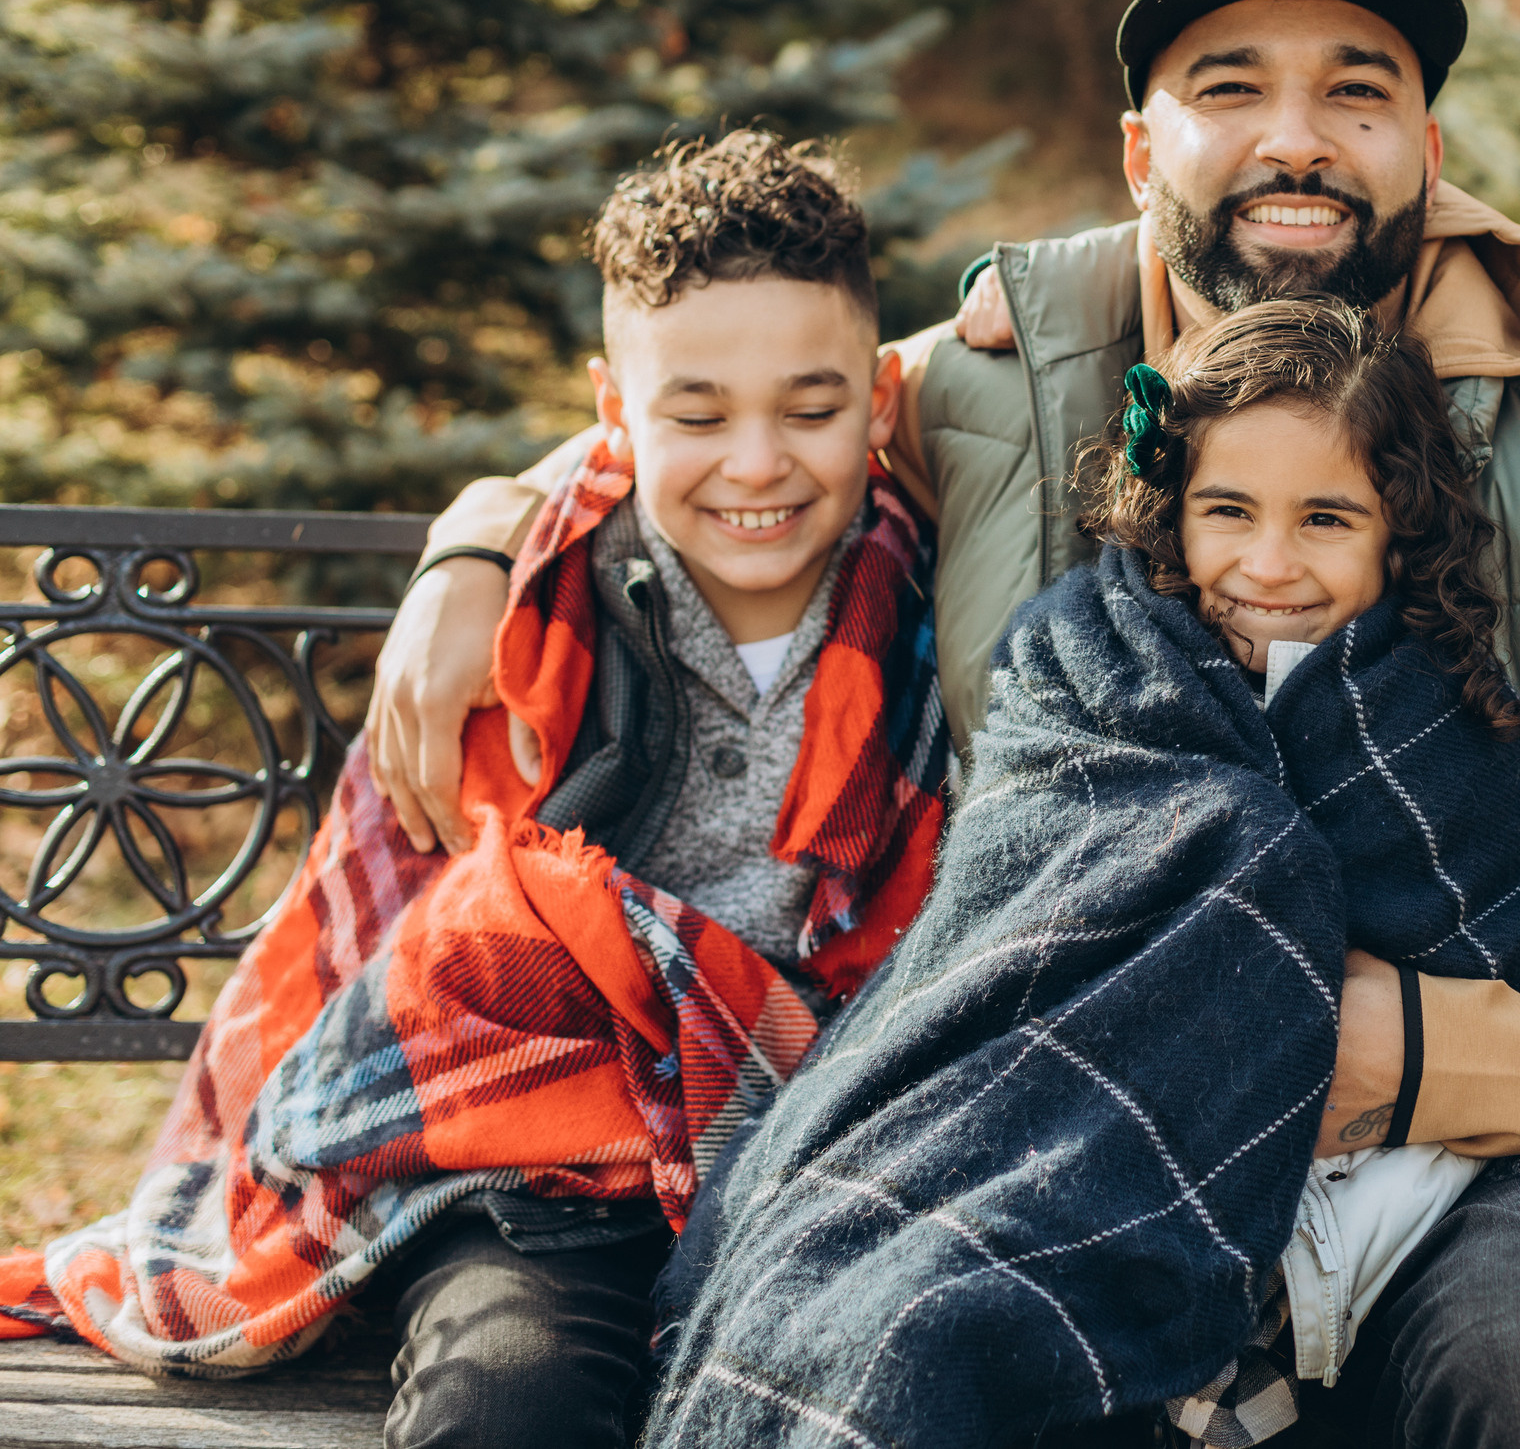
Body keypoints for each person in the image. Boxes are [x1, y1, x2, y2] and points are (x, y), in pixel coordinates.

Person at [373, 0, 1520, 1448]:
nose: (1298, 138)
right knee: (923, 1346)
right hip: (1071, 1112)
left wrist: (1401, 1053)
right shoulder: (1011, 384)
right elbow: (739, 415)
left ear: (1428, 146)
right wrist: (486, 531)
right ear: (1143, 147)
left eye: (1358, 90)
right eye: (1233, 87)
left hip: (1471, 1140)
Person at [0, 131, 949, 1449]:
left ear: (880, 396)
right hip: (530, 1159)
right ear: (613, 410)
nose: (755, 462)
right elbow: (424, 947)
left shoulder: (936, 613)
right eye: (696, 412)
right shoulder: (528, 622)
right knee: (509, 1400)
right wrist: (476, 543)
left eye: (809, 406)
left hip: (806, 1148)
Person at [648, 299, 1520, 1449]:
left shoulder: (1444, 716)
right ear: (1171, 510)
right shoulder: (1086, 669)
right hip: (1087, 1134)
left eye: (1327, 519)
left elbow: (1517, 932)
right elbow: (1013, 943)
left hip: (1417, 1175)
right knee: (909, 1319)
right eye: (1227, 512)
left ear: (1395, 530)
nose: (1268, 564)